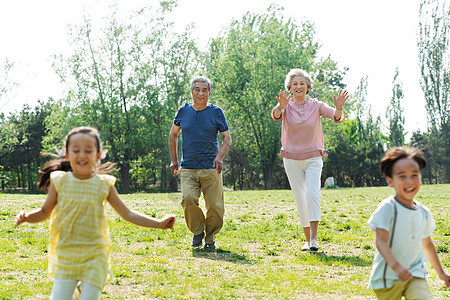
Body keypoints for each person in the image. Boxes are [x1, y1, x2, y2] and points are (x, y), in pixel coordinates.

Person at [14, 126, 175, 300]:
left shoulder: (103, 184)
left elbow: (127, 213)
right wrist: (27, 217)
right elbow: (45, 212)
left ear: (97, 155)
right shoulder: (59, 181)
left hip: (95, 256)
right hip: (66, 255)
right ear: (67, 154)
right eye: (76, 150)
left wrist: (158, 223)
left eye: (88, 150)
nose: (82, 155)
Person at [271, 68, 349, 252]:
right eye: (295, 84)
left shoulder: (317, 105)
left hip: (313, 157)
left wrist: (338, 108)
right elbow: (275, 115)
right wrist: (280, 106)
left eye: (302, 83)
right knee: (300, 197)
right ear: (289, 88)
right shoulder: (286, 106)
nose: (299, 86)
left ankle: (314, 238)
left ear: (308, 87)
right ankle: (307, 239)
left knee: (312, 194)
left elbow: (336, 116)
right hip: (291, 158)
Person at [367, 147, 450, 299]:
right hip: (388, 279)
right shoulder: (388, 208)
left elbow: (427, 244)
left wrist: (441, 273)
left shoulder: (423, 212)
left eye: (414, 175)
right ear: (390, 181)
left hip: (415, 273)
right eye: (402, 176)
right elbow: (380, 242)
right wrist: (396, 266)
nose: (409, 181)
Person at [169, 76, 232, 250]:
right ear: (192, 91)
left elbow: (227, 138)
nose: (200, 93)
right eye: (197, 89)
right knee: (188, 199)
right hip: (188, 166)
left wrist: (219, 157)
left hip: (211, 168)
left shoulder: (216, 112)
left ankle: (210, 238)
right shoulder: (183, 111)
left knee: (215, 207)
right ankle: (197, 231)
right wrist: (174, 160)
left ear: (209, 93)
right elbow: (173, 134)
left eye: (205, 90)